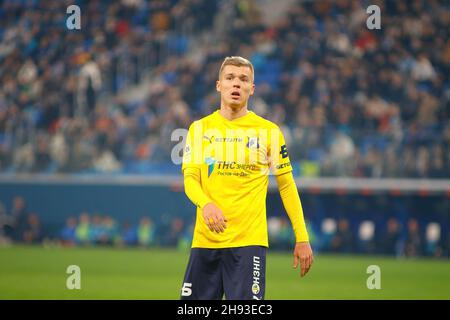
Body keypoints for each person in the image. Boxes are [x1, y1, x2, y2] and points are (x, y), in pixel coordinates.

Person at [180, 56, 313, 300]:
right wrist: (206, 204)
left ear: (252, 89)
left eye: (243, 79)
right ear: (219, 85)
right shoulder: (199, 129)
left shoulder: (269, 132)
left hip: (248, 244)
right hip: (205, 242)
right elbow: (190, 179)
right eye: (230, 78)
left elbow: (286, 186)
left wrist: (302, 237)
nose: (236, 84)